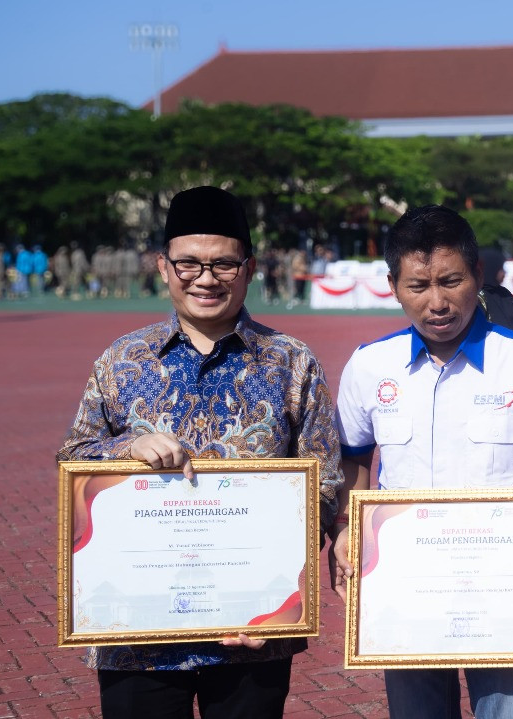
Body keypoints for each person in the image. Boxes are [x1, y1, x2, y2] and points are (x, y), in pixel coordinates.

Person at [56, 185, 344, 718]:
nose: (206, 279)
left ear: (250, 268)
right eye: (188, 263)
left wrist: (277, 597)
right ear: (163, 266)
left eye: (223, 264)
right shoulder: (122, 360)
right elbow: (73, 457)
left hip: (252, 633)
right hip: (136, 636)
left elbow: (323, 482)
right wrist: (127, 447)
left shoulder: (291, 362)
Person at [329, 205, 513, 719]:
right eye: (418, 286)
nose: (437, 302)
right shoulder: (369, 365)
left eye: (452, 281)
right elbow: (355, 461)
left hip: (506, 582)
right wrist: (344, 526)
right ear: (392, 284)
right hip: (405, 585)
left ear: (478, 275)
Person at [478, 247, 513, 333]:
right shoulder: (477, 296)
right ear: (492, 269)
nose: (504, 273)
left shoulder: (504, 293)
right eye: (501, 269)